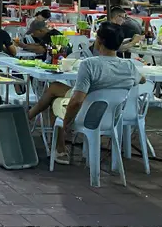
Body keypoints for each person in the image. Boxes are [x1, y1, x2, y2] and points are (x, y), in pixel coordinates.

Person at [27, 22, 144, 165]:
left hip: (87, 115)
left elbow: (77, 101)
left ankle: (57, 146)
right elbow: (142, 80)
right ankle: (30, 119)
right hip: (113, 116)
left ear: (99, 41)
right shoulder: (130, 66)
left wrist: (66, 124)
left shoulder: (89, 64)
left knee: (55, 99)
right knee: (55, 87)